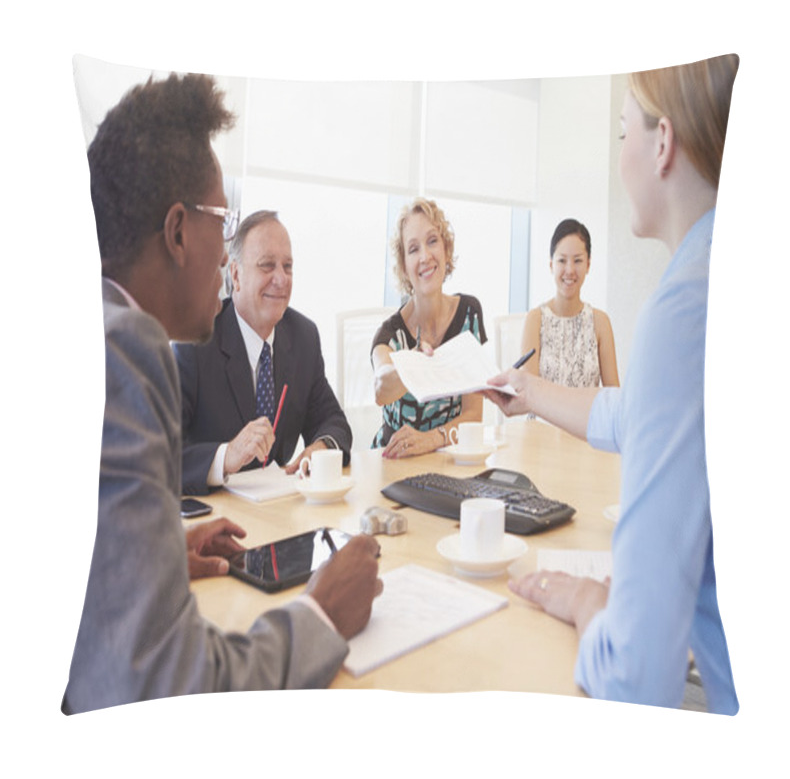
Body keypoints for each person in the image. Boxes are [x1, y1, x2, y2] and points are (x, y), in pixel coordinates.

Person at [63, 73, 382, 715]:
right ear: (180, 233)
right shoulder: (128, 348)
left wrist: (157, 555)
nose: (273, 276)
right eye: (223, 222)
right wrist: (320, 612)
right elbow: (171, 686)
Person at [485, 55, 739, 714]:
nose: (619, 151)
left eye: (623, 131)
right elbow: (642, 412)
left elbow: (635, 677)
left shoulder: (683, 305)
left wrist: (587, 602)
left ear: (662, 144)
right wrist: (528, 391)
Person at [173, 210, 352, 496]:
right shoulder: (194, 342)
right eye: (267, 266)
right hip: (214, 516)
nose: (281, 279)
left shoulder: (303, 336)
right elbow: (162, 454)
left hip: (280, 515)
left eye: (288, 266)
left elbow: (333, 422)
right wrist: (226, 455)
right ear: (235, 275)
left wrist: (320, 449)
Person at [371, 198, 487, 458]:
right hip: (393, 461)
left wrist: (432, 440)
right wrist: (415, 365)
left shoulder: (470, 313)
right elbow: (381, 388)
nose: (425, 256)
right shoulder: (390, 335)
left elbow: (473, 414)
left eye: (432, 241)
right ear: (403, 266)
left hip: (449, 456)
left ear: (446, 248)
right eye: (413, 249)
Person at [520, 218, 619, 387]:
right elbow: (527, 394)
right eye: (562, 260)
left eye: (578, 260)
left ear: (588, 264)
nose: (570, 270)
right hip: (541, 414)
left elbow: (614, 397)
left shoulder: (600, 322)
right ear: (551, 265)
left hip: (587, 414)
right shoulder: (535, 320)